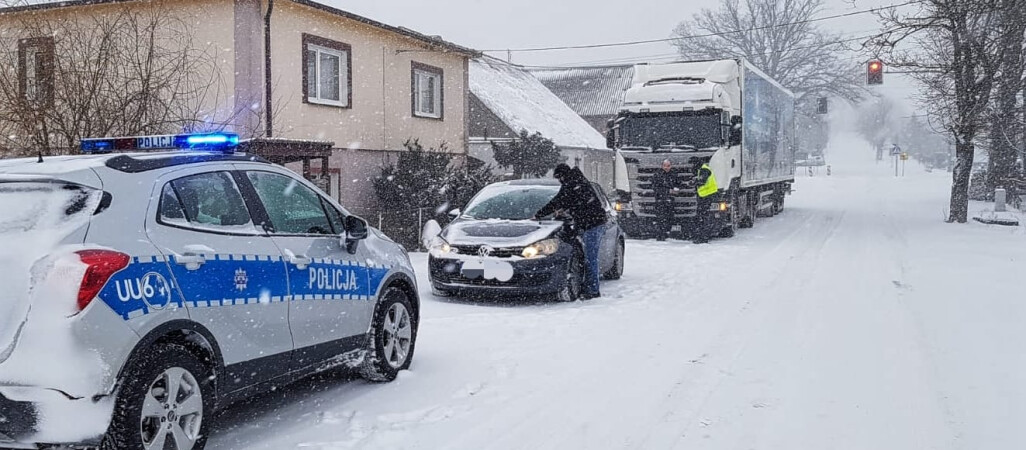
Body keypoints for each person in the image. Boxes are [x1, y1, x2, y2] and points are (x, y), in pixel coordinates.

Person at [534, 164, 608, 299]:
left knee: (590, 258)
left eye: (559, 178)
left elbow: (558, 201)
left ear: (563, 175)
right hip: (592, 222)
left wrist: (539, 214)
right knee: (589, 257)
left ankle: (592, 290)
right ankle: (588, 286)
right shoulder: (577, 181)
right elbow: (571, 202)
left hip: (592, 224)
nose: (559, 181)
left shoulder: (572, 184)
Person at [650, 159, 681, 241]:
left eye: (668, 166)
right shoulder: (657, 175)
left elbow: (678, 184)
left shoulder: (674, 174)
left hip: (670, 200)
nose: (666, 167)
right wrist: (667, 191)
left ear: (671, 166)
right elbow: (655, 188)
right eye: (665, 166)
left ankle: (667, 233)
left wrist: (677, 190)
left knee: (669, 217)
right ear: (662, 166)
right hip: (660, 200)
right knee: (661, 218)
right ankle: (660, 235)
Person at [691, 158, 718, 244]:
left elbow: (702, 181)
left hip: (706, 196)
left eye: (693, 164)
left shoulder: (704, 170)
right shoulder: (703, 169)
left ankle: (703, 237)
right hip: (705, 196)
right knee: (703, 216)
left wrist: (694, 182)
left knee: (703, 216)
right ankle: (702, 236)